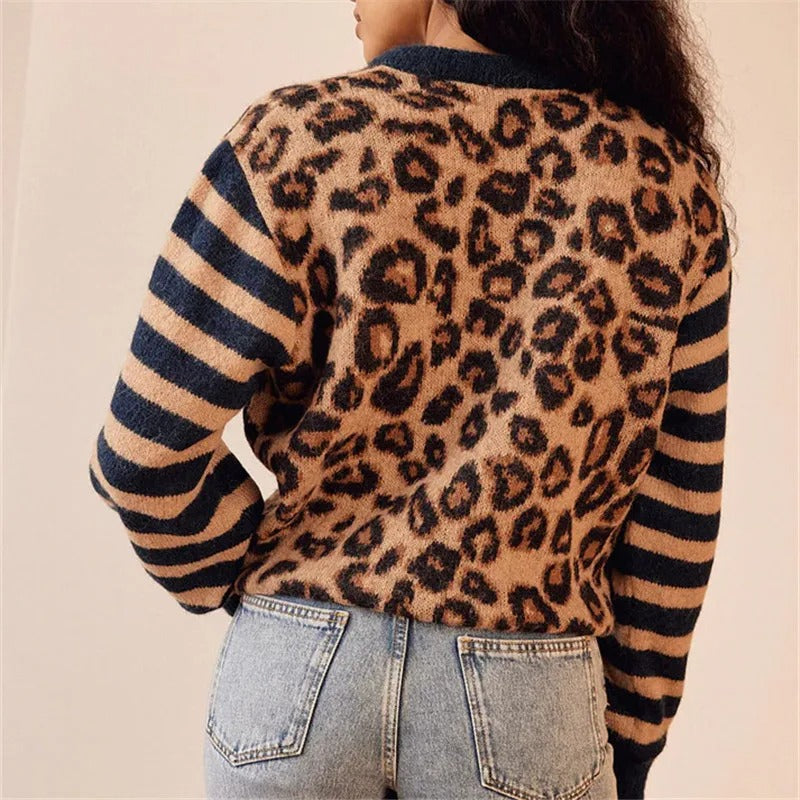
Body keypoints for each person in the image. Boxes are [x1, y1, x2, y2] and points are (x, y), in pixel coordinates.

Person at [87, 1, 734, 798]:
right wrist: (632, 738)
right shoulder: (665, 184)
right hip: (529, 692)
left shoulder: (292, 140)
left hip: (293, 676)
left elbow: (142, 455)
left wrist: (263, 590)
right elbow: (675, 514)